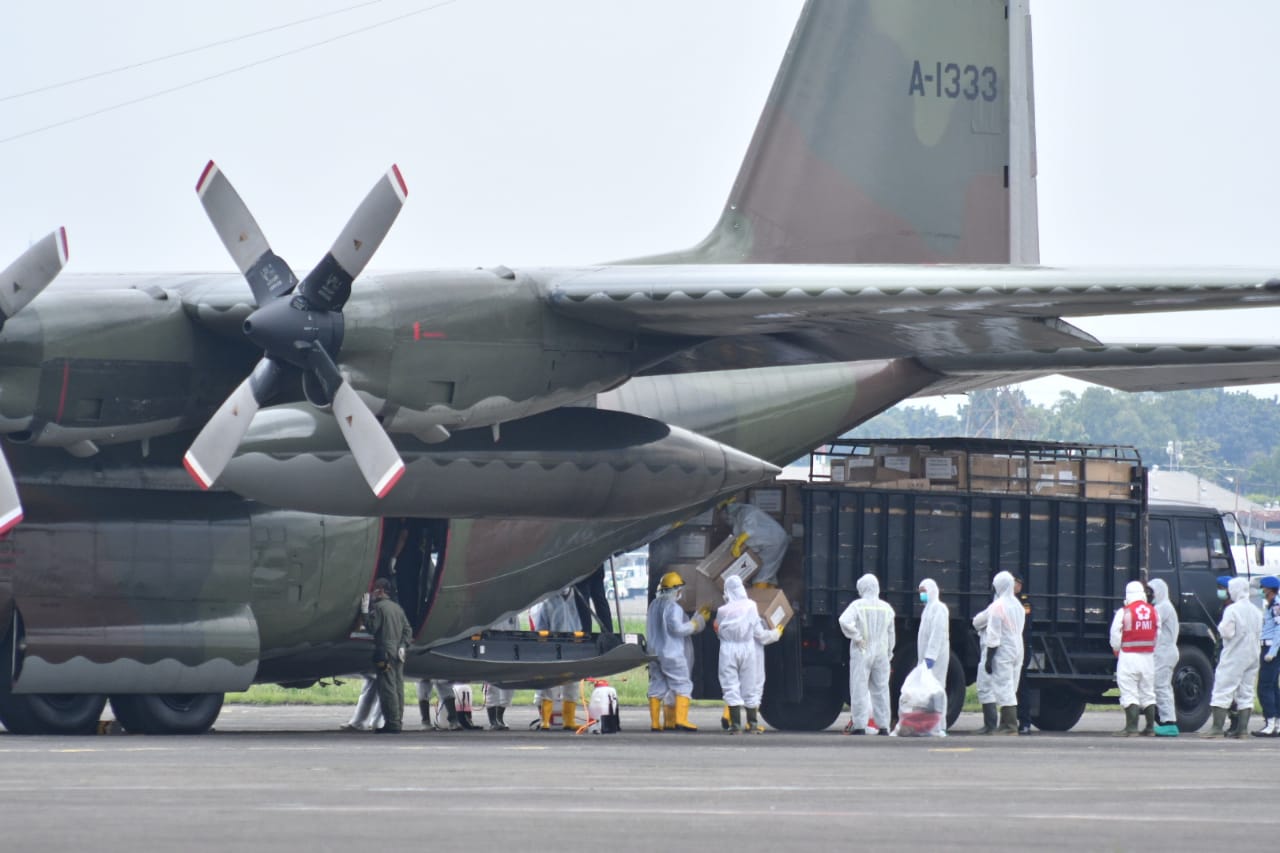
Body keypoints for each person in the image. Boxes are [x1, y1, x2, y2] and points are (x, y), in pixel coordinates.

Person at [715, 575, 781, 734]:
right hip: (747, 649)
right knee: (750, 684)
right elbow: (759, 634)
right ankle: (752, 724)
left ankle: (735, 725)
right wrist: (775, 634)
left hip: (727, 650)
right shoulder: (751, 606)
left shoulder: (722, 610)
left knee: (730, 685)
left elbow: (717, 629)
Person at [646, 571, 709, 732]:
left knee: (657, 685)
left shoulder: (654, 604)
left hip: (654, 652)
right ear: (676, 589)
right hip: (671, 653)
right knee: (682, 685)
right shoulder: (673, 607)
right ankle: (681, 720)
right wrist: (695, 623)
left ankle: (655, 723)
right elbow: (677, 629)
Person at [1202, 576, 1263, 738]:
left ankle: (1216, 727)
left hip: (1235, 654)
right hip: (1253, 654)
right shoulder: (1256, 611)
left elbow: (1227, 632)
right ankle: (1242, 730)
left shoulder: (1232, 610)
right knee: (1246, 691)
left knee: (1223, 689)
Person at [838, 573, 895, 735]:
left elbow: (844, 620)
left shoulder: (858, 605)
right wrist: (889, 652)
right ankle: (883, 726)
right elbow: (891, 634)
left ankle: (860, 725)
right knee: (882, 689)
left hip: (862, 650)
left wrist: (856, 636)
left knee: (859, 688)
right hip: (881, 652)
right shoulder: (887, 608)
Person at [972, 570, 1025, 735]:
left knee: (1003, 687)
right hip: (1017, 648)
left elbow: (993, 634)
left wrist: (989, 659)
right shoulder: (1017, 605)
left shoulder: (997, 606)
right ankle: (1004, 724)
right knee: (1011, 686)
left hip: (1003, 650)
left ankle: (1009, 726)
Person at [1109, 580, 1159, 736]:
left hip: (1128, 657)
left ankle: (1131, 727)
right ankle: (1150, 727)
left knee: (1129, 691)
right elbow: (1158, 634)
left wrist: (1116, 648)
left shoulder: (1124, 612)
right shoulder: (1153, 611)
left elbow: (1115, 634)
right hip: (1148, 658)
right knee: (1148, 692)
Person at [363, 577, 412, 733]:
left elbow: (372, 628)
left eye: (375, 589)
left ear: (381, 590)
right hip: (398, 651)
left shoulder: (379, 608)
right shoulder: (397, 608)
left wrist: (364, 612)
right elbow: (408, 630)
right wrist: (403, 645)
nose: (373, 593)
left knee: (387, 687)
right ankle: (397, 720)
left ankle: (392, 723)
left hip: (385, 650)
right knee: (398, 686)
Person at [533, 588, 583, 731]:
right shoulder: (548, 602)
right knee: (550, 685)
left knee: (572, 685)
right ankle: (545, 721)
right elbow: (540, 628)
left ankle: (569, 721)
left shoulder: (577, 600)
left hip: (573, 648)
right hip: (554, 649)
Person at [724, 502, 790, 587]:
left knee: (762, 575)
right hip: (769, 543)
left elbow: (749, 531)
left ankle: (760, 597)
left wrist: (737, 544)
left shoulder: (747, 512)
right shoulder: (739, 516)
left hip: (773, 542)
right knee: (769, 574)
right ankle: (772, 597)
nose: (724, 519)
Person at [916, 578, 950, 734]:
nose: (922, 595)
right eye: (920, 592)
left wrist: (930, 657)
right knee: (927, 692)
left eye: (924, 591)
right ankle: (929, 724)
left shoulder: (939, 608)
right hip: (926, 660)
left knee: (936, 690)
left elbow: (937, 634)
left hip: (936, 659)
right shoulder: (928, 609)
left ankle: (939, 725)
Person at [1148, 578, 1181, 735]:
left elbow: (1150, 621)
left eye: (1151, 592)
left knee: (1161, 687)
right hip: (1163, 652)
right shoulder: (1162, 606)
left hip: (1165, 652)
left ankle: (1169, 723)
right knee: (1161, 686)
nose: (1150, 595)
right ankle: (1165, 720)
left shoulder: (1163, 607)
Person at [483, 614, 521, 731]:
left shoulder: (514, 613)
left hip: (508, 647)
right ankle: (493, 720)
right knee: (492, 685)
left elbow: (517, 631)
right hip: (492, 646)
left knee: (509, 686)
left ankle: (499, 717)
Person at [1255, 576, 1280, 736]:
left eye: (1263, 588)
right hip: (1269, 647)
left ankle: (1270, 722)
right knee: (1273, 687)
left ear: (1270, 590)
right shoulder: (1271, 605)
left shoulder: (1276, 606)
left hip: (1272, 648)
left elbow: (1279, 629)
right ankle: (1276, 722)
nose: (1261, 590)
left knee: (1264, 687)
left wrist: (1272, 652)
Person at [1014, 575, 1033, 734]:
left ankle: (1025, 721)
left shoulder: (1023, 602)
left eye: (1017, 583)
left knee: (1021, 686)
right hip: (1012, 647)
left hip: (1022, 646)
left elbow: (1025, 624)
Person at [574, 564, 615, 634]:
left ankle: (586, 633)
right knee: (600, 600)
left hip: (582, 569)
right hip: (597, 566)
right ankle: (608, 633)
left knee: (583, 604)